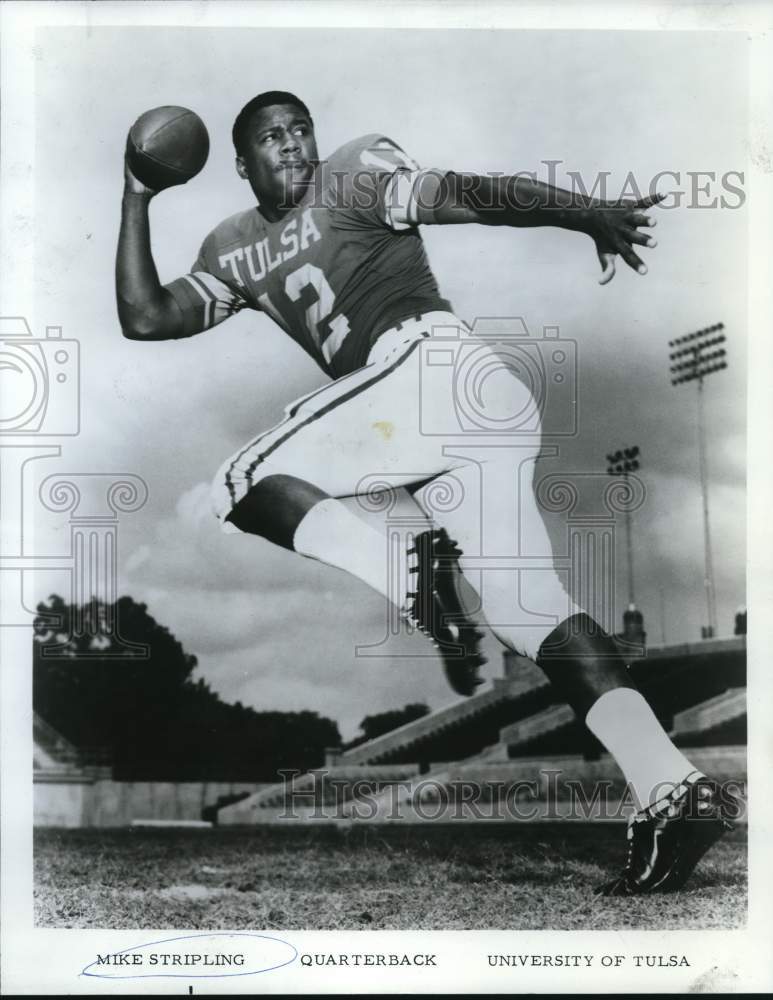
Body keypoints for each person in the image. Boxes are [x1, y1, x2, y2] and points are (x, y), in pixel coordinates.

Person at [116, 90, 738, 895]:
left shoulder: (354, 171)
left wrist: (582, 212)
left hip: (430, 368)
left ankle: (408, 563)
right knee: (526, 613)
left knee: (241, 479)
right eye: (274, 137)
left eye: (302, 128)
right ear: (241, 163)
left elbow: (467, 192)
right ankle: (671, 789)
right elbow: (146, 315)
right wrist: (136, 192)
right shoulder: (230, 245)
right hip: (441, 421)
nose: (295, 144)